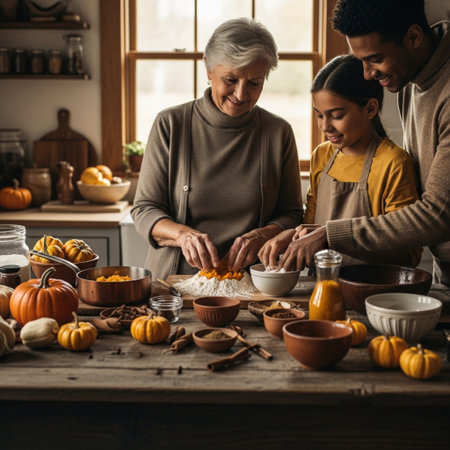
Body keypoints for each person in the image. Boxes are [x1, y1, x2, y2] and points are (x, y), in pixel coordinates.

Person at [268, 0, 450, 287]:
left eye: (375, 59)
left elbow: (439, 214)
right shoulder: (408, 75)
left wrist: (329, 234)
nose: (367, 75)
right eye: (361, 60)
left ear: (414, 37)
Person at [131, 17, 303, 280]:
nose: (242, 94)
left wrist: (264, 233)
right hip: (176, 282)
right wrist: (182, 235)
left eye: (255, 83)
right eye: (231, 79)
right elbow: (144, 209)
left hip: (252, 283)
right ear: (209, 69)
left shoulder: (278, 133)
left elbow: (292, 214)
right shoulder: (171, 124)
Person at [259, 54, 422, 269]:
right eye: (319, 115)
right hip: (321, 288)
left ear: (370, 109)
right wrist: (289, 235)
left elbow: (408, 253)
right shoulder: (322, 156)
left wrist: (332, 239)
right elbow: (310, 226)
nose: (325, 126)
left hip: (372, 293)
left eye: (336, 115)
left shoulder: (394, 163)